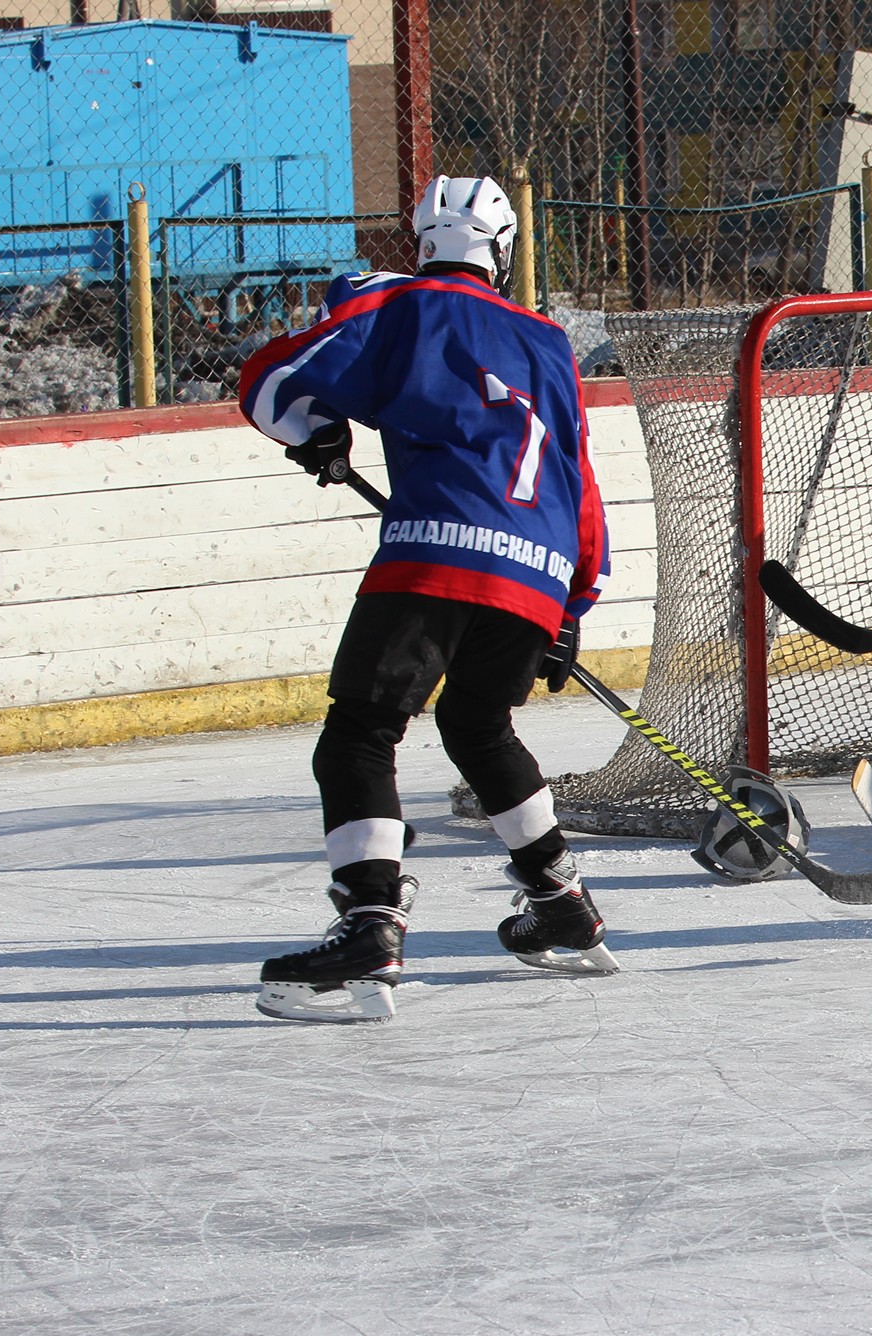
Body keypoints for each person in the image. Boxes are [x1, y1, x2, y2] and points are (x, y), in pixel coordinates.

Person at [237, 175, 617, 1023]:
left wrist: (320, 432)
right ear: (504, 252)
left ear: (423, 243)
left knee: (359, 736)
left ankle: (371, 927)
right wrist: (571, 602)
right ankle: (561, 900)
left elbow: (270, 381)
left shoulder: (397, 303)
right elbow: (576, 479)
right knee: (479, 727)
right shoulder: (551, 341)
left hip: (436, 556)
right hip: (538, 566)